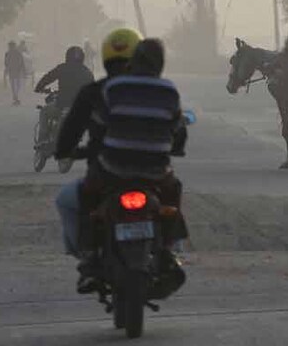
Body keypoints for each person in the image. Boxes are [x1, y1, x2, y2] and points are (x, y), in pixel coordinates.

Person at [54, 30, 188, 294]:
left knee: (78, 199)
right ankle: (169, 252)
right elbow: (178, 130)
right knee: (173, 195)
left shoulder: (112, 89)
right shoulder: (169, 90)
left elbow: (101, 124)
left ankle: (90, 256)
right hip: (156, 173)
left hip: (112, 170)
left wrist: (68, 151)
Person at [33, 46, 95, 147]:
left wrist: (39, 87)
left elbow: (48, 78)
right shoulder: (87, 73)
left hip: (62, 104)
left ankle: (43, 139)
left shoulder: (62, 68)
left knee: (44, 111)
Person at [4, 41, 26, 105]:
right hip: (15, 70)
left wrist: (7, 68)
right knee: (15, 83)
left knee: (14, 83)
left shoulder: (10, 53)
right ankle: (15, 95)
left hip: (15, 69)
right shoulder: (11, 53)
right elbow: (6, 62)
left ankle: (15, 94)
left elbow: (6, 62)